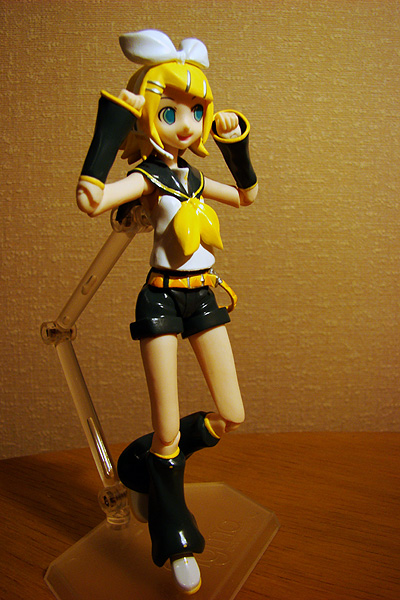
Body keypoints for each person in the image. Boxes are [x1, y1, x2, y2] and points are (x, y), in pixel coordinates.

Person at [76, 30, 258, 594]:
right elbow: (92, 200)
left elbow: (247, 195)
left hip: (203, 295)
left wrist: (234, 143)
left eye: (196, 112)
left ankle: (149, 463)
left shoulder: (195, 177)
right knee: (168, 424)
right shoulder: (146, 178)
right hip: (160, 299)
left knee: (232, 415)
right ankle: (175, 534)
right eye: (171, 111)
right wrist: (112, 125)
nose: (186, 124)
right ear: (148, 115)